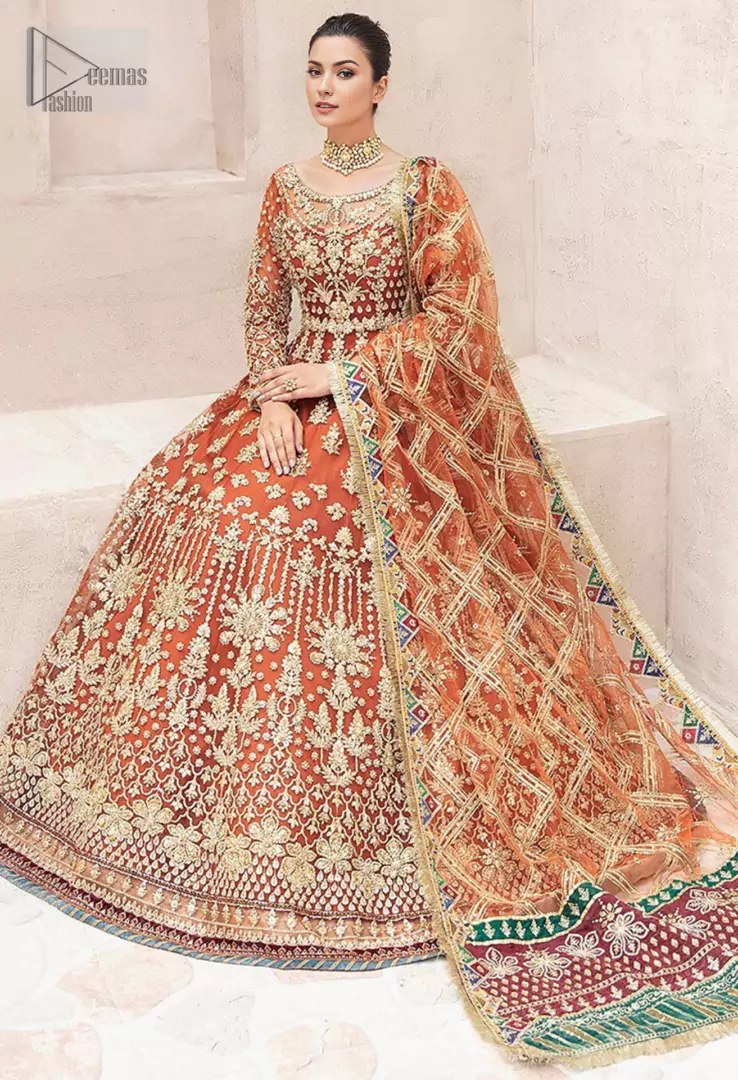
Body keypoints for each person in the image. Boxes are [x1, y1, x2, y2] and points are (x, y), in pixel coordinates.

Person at [2, 10, 738, 1070]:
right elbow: (264, 306)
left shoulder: (424, 187)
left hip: (391, 418)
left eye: (344, 72)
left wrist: (342, 377)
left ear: (381, 85)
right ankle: (187, 822)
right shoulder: (285, 188)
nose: (324, 87)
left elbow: (459, 320)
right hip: (288, 399)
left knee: (317, 528)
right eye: (313, 71)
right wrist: (271, 396)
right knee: (196, 495)